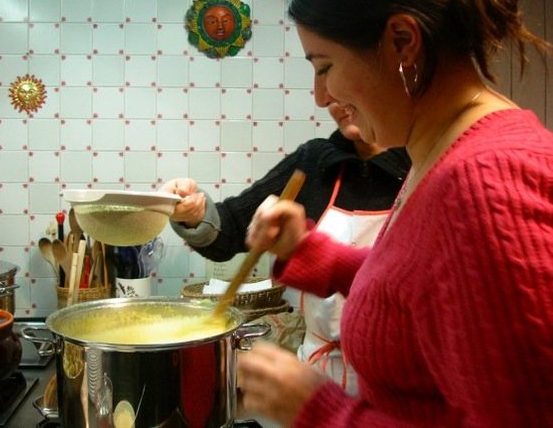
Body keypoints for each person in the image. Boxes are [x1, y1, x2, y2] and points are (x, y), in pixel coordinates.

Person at [236, 0, 553, 427]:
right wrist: (308, 253)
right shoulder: (442, 152)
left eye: (324, 66)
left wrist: (319, 411)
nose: (321, 96)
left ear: (401, 42)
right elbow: (424, 286)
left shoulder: (486, 186)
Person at [161, 102, 410, 395]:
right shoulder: (316, 161)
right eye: (317, 72)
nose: (325, 97)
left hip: (397, 385)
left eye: (329, 68)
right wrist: (193, 213)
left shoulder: (424, 165)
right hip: (317, 378)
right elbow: (230, 229)